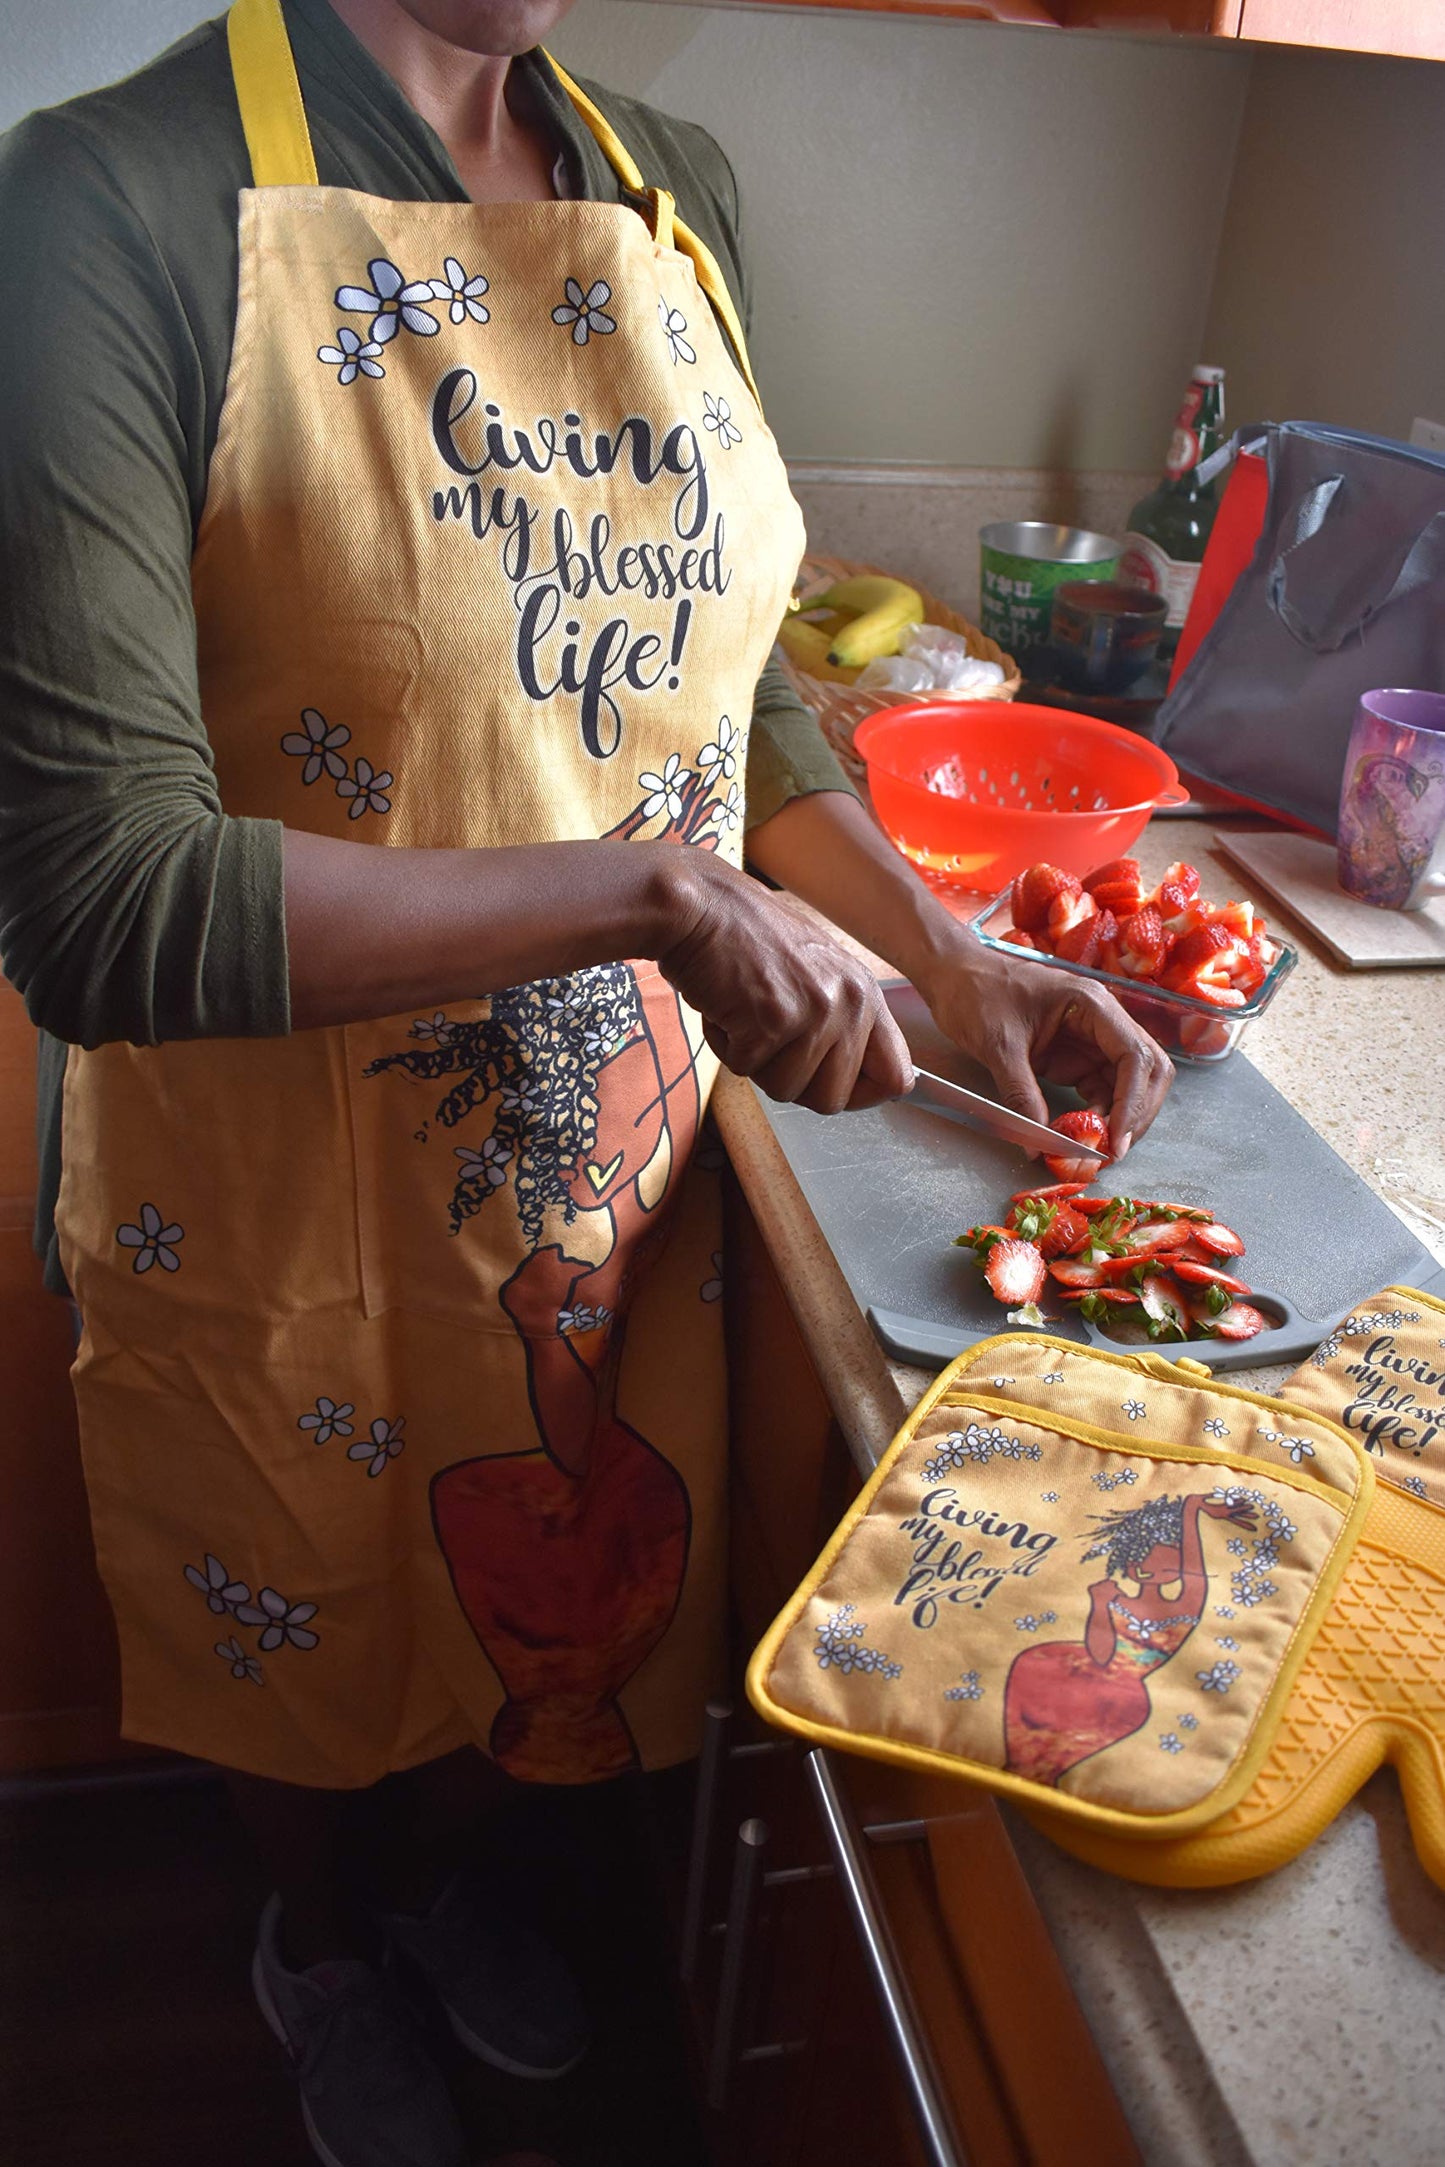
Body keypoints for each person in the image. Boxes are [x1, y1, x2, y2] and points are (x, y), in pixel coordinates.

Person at [0, 2, 1174, 2160]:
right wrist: (661, 901)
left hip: (605, 1162)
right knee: (297, 1616)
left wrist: (955, 958)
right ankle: (320, 1941)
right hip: (271, 1187)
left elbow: (745, 708)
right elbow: (99, 900)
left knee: (536, 1598)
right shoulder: (106, 205)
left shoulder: (665, 187)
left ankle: (443, 1892)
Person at [1003, 1491, 1255, 1787]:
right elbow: (1100, 1654)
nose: (1161, 1569)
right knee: (1032, 1679)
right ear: (1133, 1566)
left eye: (1171, 1567)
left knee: (1055, 1746)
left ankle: (1034, 1776)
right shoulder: (1116, 1599)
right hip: (1078, 1670)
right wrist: (1099, 1605)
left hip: (1120, 1694)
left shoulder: (1183, 1608)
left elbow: (1195, 1570)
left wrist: (1192, 1509)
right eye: (1153, 1563)